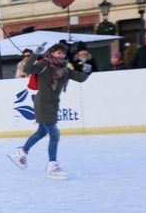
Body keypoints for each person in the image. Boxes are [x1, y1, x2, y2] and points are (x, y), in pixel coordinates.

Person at [9, 43, 91, 180]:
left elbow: (80, 78)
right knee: (54, 134)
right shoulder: (44, 65)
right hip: (43, 103)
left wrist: (87, 70)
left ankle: (21, 153)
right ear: (52, 53)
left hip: (52, 104)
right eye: (58, 53)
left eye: (63, 53)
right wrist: (35, 53)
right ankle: (52, 165)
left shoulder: (64, 69)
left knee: (42, 132)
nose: (61, 55)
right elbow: (28, 68)